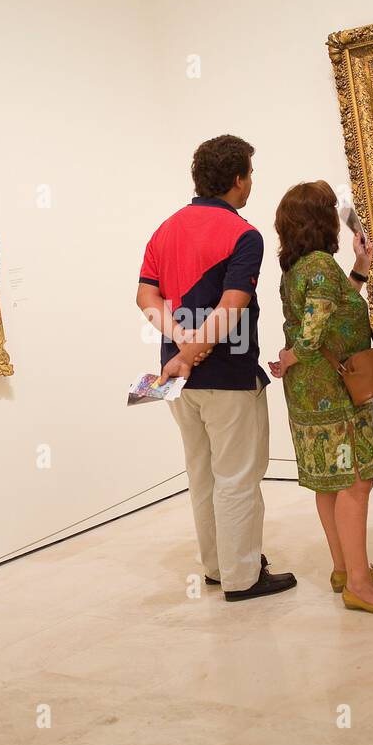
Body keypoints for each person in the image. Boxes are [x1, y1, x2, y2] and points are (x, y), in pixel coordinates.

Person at [136, 135, 297, 602]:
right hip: (226, 375)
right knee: (237, 477)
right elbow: (231, 306)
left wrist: (180, 346)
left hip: (175, 380)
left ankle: (216, 566)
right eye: (249, 174)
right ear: (236, 180)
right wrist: (192, 351)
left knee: (202, 474)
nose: (250, 183)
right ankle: (243, 577)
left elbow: (146, 297)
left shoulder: (164, 229)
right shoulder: (244, 235)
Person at [270, 180, 373, 615]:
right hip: (333, 386)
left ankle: (344, 567)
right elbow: (312, 334)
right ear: (320, 219)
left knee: (331, 481)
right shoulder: (320, 266)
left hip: (311, 388)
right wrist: (292, 354)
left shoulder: (300, 267)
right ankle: (360, 585)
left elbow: (329, 307)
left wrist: (360, 266)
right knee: (355, 479)